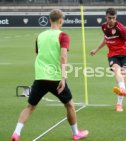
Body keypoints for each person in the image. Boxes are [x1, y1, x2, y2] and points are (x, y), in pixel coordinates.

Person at [10, 9, 89, 141]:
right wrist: (63, 77)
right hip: (56, 78)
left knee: (29, 107)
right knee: (69, 105)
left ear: (49, 20)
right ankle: (75, 133)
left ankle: (16, 133)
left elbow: (39, 54)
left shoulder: (40, 36)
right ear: (61, 21)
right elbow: (63, 56)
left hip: (40, 77)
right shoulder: (63, 35)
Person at [90, 8, 126, 112]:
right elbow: (106, 39)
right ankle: (122, 89)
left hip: (125, 55)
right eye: (109, 18)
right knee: (116, 70)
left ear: (116, 17)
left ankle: (119, 104)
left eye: (113, 18)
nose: (111, 20)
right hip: (113, 55)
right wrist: (96, 49)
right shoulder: (104, 26)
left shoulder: (121, 28)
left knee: (123, 75)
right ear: (106, 17)